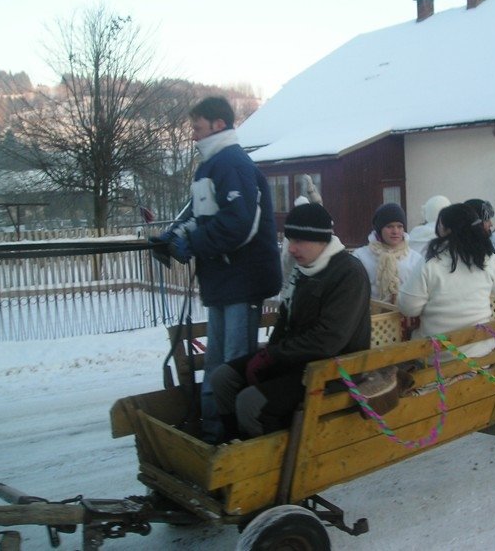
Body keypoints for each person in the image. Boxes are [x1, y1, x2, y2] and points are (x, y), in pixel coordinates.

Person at [150, 96, 282, 444]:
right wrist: (172, 236)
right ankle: (212, 434)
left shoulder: (232, 163)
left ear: (218, 124)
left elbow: (239, 224)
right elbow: (198, 214)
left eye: (197, 127)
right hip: (223, 280)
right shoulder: (210, 166)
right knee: (216, 362)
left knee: (233, 363)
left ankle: (233, 437)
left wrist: (192, 243)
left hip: (243, 281)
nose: (193, 134)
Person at [210, 203, 371, 440]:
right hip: (296, 361)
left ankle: (262, 456)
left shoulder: (348, 273)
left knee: (249, 403)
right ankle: (233, 445)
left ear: (321, 240)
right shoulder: (303, 269)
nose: (291, 248)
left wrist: (272, 356)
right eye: (289, 240)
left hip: (332, 371)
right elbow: (285, 319)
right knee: (223, 378)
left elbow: (328, 340)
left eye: (299, 241)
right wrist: (269, 356)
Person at [398, 203, 495, 358]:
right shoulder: (486, 259)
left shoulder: (431, 262)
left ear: (445, 230)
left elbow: (408, 308)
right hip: (481, 355)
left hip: (439, 360)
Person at [353, 202, 423, 304]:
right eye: (389, 226)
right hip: (371, 313)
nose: (395, 231)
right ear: (379, 229)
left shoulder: (415, 259)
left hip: (404, 312)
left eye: (400, 226)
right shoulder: (360, 256)